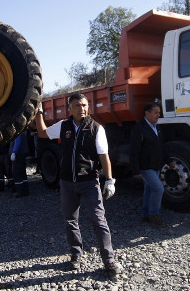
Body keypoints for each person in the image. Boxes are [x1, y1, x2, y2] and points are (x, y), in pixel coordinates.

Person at [35, 93, 122, 277]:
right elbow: (43, 133)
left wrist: (109, 180)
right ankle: (76, 254)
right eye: (77, 105)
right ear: (70, 108)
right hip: (67, 183)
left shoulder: (96, 128)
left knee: (99, 221)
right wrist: (39, 112)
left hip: (89, 182)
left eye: (84, 105)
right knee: (70, 221)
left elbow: (103, 156)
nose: (81, 108)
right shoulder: (63, 126)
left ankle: (109, 260)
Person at [130, 102, 165, 227]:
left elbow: (160, 147)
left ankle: (145, 215)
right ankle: (154, 214)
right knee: (158, 188)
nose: (158, 115)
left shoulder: (157, 127)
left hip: (155, 165)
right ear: (147, 113)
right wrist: (135, 170)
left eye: (159, 113)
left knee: (149, 189)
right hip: (145, 166)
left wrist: (168, 161)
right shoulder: (139, 129)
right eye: (156, 112)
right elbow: (134, 151)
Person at [11, 131, 29, 197]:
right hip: (23, 152)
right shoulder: (23, 130)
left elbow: (17, 141)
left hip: (18, 153)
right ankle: (25, 189)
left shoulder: (17, 130)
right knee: (22, 171)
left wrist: (14, 152)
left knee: (17, 172)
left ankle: (20, 191)